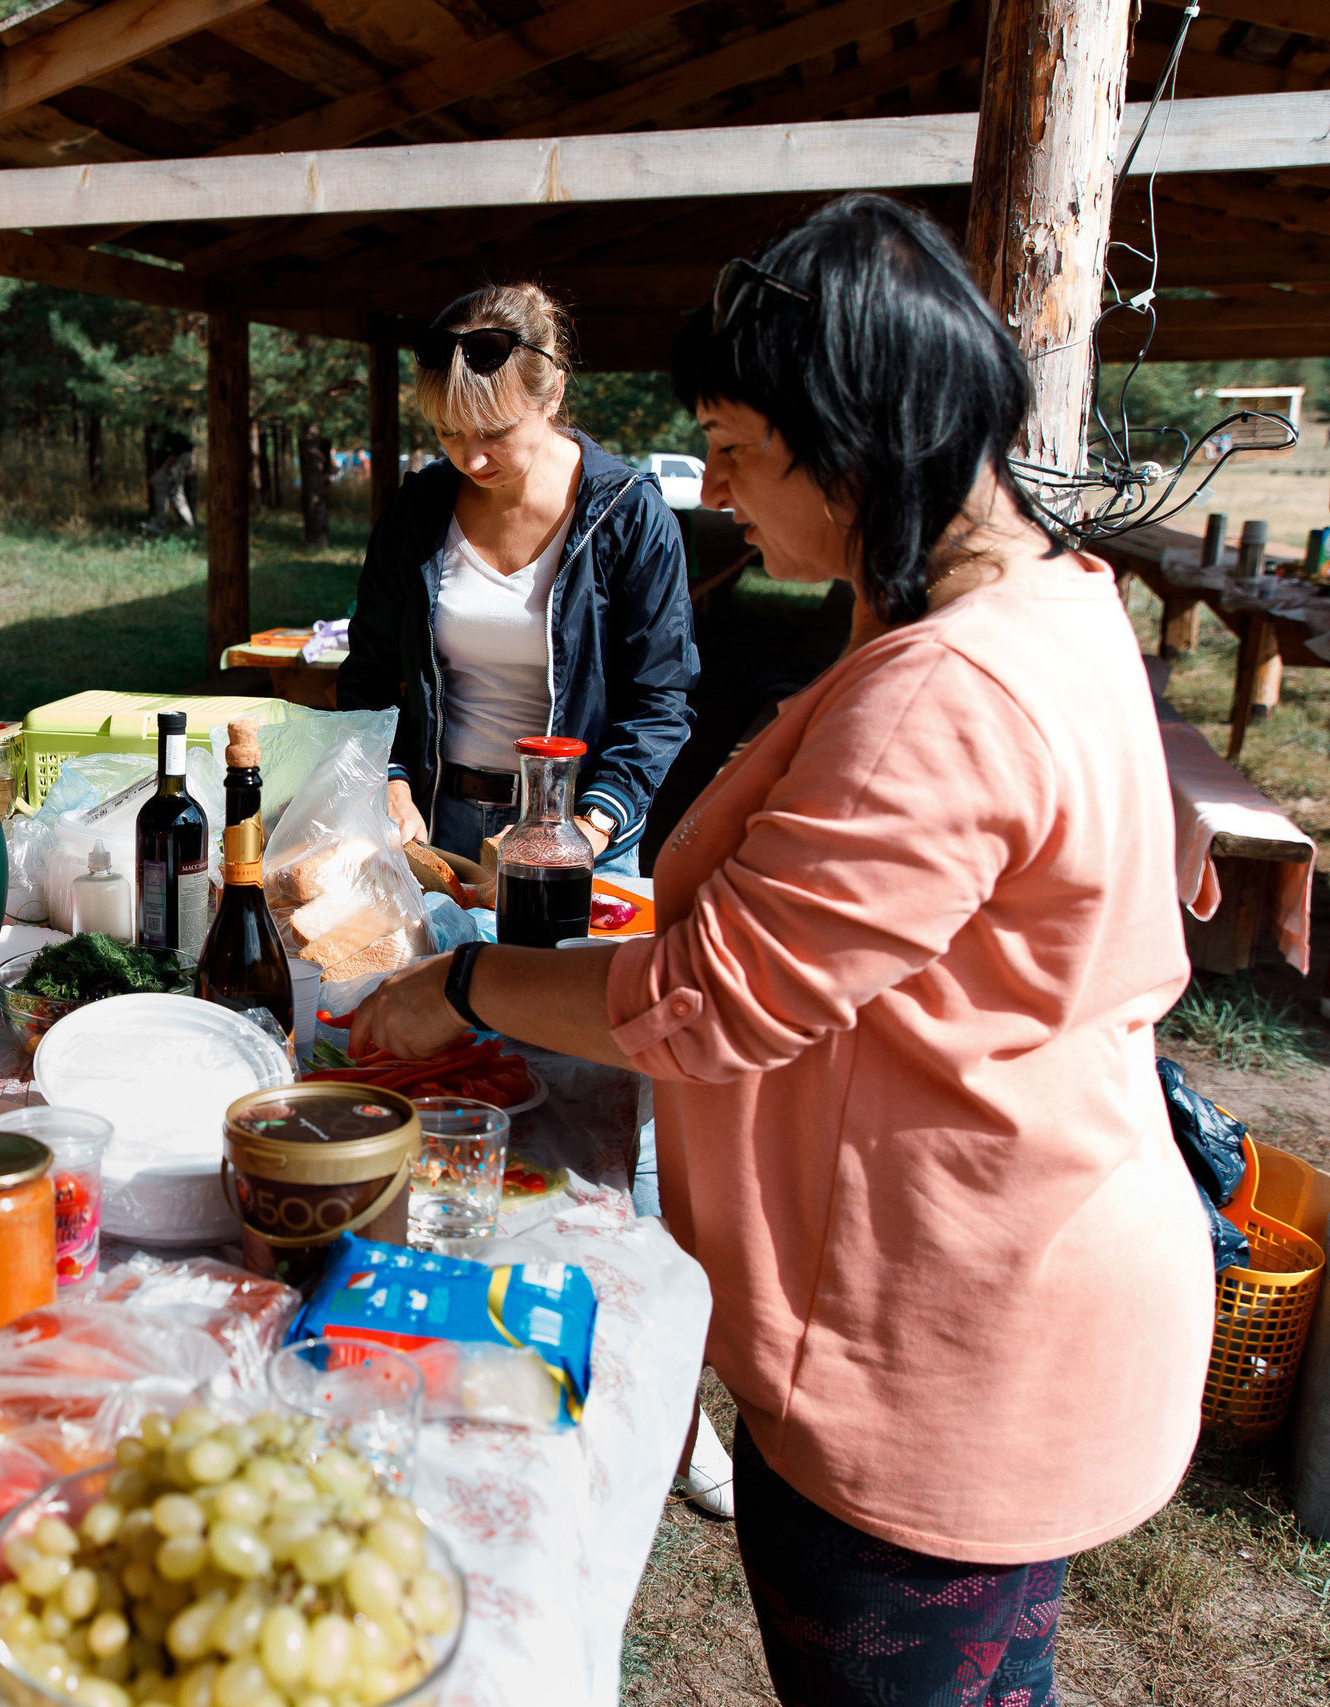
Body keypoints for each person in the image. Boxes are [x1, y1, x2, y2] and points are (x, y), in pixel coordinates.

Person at [350, 196, 1212, 1705]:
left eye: (738, 448)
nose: (717, 490)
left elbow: (703, 1002)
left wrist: (464, 982)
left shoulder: (945, 690)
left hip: (941, 1341)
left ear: (857, 444)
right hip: (1013, 1272)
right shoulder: (1046, 600)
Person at [337, 285, 696, 877]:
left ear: (553, 394)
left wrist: (589, 825)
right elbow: (368, 675)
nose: (471, 459)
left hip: (582, 829)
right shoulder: (418, 511)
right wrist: (393, 784)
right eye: (449, 432)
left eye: (495, 431)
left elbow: (660, 699)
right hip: (434, 823)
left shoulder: (628, 516)